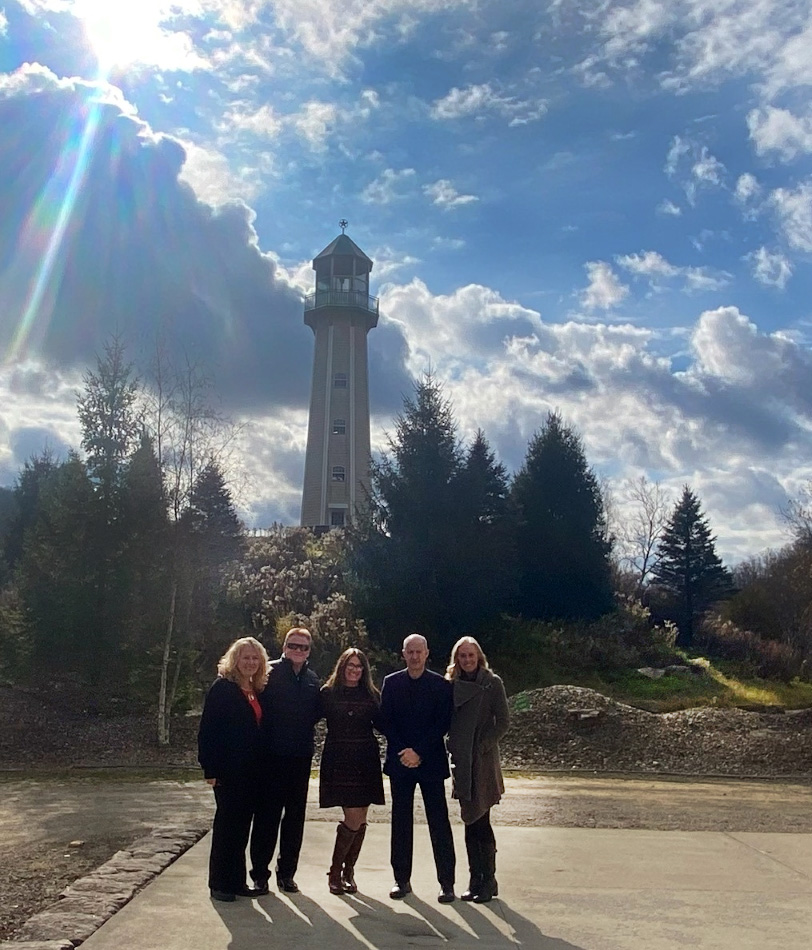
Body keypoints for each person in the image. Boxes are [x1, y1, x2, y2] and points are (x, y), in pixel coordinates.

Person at [380, 633, 456, 903]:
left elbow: (443, 723)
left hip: (430, 761)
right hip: (401, 761)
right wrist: (405, 752)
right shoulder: (391, 683)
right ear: (403, 654)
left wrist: (419, 752)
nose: (414, 656)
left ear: (426, 654)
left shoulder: (440, 685)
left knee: (439, 821)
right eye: (409, 652)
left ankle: (447, 883)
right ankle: (401, 880)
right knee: (401, 821)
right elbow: (385, 721)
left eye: (418, 652)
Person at [249, 627, 321, 894]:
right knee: (267, 817)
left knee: (294, 819)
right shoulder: (267, 673)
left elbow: (314, 714)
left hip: (300, 758)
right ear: (284, 646)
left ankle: (287, 873)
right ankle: (259, 874)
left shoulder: (313, 679)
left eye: (303, 647)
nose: (298, 651)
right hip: (271, 758)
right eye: (293, 645)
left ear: (309, 651)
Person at [197, 636, 270, 902]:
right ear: (234, 659)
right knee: (227, 827)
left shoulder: (255, 688)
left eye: (255, 658)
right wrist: (210, 769)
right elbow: (208, 731)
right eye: (245, 657)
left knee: (241, 829)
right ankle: (219, 883)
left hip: (252, 772)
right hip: (228, 771)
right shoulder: (223, 688)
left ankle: (237, 881)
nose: (250, 662)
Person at [445, 636, 510, 904]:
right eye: (462, 656)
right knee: (469, 820)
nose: (467, 660)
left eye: (471, 655)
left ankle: (488, 879)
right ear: (456, 659)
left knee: (481, 820)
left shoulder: (492, 684)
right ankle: (475, 879)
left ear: (479, 657)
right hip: (462, 761)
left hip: (483, 762)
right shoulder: (451, 685)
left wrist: (484, 745)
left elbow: (503, 722)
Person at [319, 648, 385, 894]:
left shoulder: (370, 694)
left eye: (359, 666)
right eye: (351, 665)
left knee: (361, 818)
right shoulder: (328, 693)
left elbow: (384, 724)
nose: (355, 669)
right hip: (339, 758)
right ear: (342, 666)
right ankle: (335, 871)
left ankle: (349, 872)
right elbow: (307, 718)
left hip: (365, 759)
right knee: (353, 817)